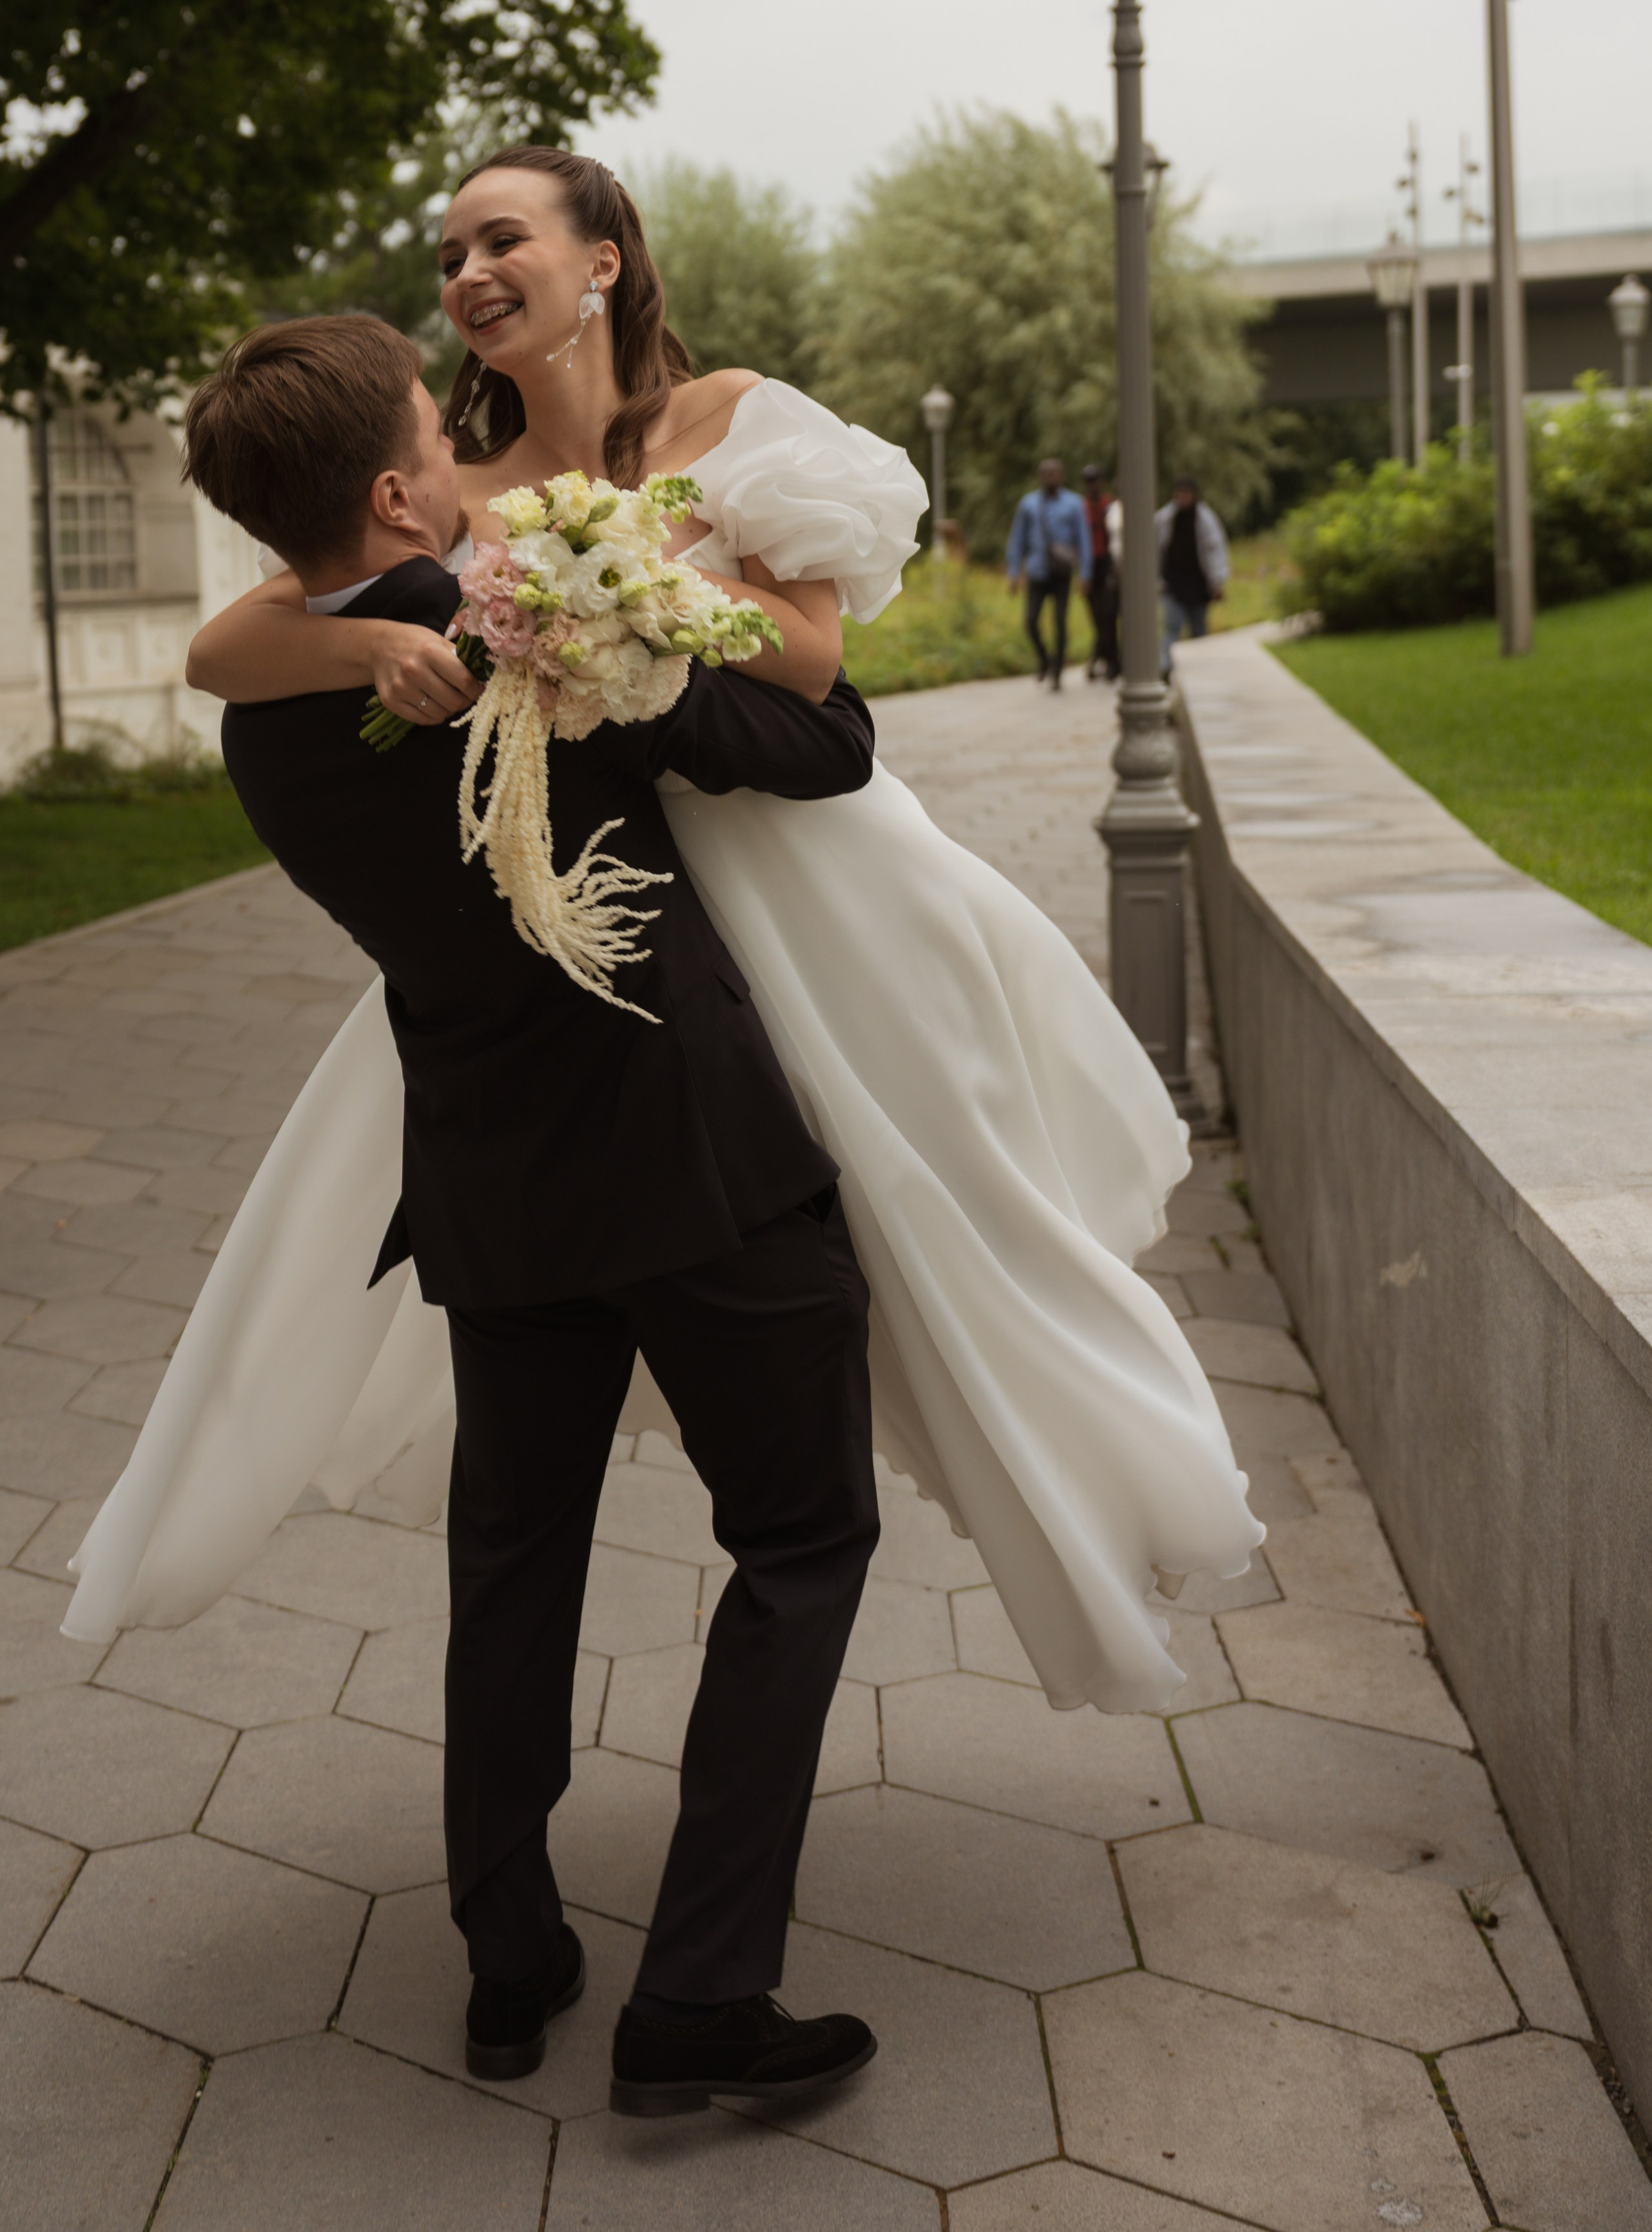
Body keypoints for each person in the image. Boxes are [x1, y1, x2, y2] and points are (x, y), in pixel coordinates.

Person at [68, 145, 1262, 1756]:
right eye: (446, 253)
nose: (467, 273)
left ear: (603, 258)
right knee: (674, 1273)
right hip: (602, 929)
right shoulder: (448, 484)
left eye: (500, 238)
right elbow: (231, 643)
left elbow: (816, 662)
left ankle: (1096, 1479)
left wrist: (621, 592)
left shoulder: (732, 425)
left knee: (944, 1225)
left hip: (805, 868)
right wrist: (373, 636)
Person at [160, 310, 883, 2107]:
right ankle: (701, 1996)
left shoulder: (277, 719)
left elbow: (247, 643)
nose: (479, 469)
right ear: (402, 488)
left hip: (495, 1190)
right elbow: (826, 748)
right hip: (696, 1167)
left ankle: (511, 1961)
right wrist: (704, 624)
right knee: (801, 1542)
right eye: (440, 440)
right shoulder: (512, 640)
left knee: (513, 1569)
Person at [1006, 456, 1091, 689]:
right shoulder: (1028, 504)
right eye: (1046, 473)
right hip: (1037, 571)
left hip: (1062, 573)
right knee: (1031, 621)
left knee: (1060, 622)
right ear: (1040, 477)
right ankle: (1045, 659)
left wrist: (1085, 574)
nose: (1050, 477)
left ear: (1061, 476)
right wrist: (1014, 572)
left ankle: (1057, 674)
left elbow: (1084, 540)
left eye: (1054, 473)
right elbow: (1017, 539)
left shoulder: (1074, 503)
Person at [1157, 477, 1231, 676]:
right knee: (1171, 628)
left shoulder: (1206, 520)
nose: (1183, 498)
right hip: (1172, 584)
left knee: (1199, 629)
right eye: (1179, 494)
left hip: (1198, 585)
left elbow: (1216, 550)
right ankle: (1166, 668)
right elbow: (1156, 549)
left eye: (1186, 494)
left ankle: (1201, 668)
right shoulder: (1165, 519)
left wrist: (1217, 582)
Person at [1079, 463, 1119, 680]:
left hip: (1109, 563)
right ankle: (1103, 658)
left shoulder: (1111, 505)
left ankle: (1111, 661)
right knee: (1097, 617)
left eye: (1097, 480)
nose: (1094, 485)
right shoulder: (1081, 508)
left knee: (1109, 614)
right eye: (1089, 481)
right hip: (1089, 565)